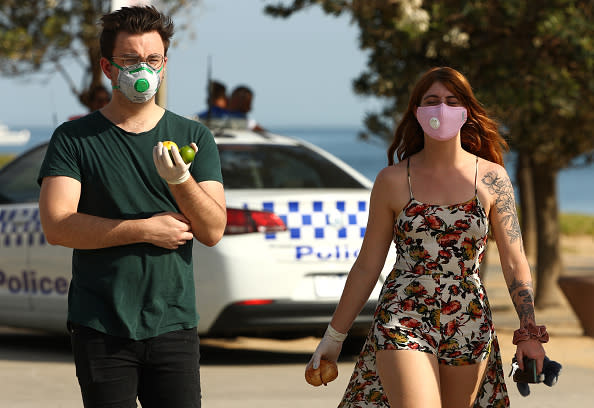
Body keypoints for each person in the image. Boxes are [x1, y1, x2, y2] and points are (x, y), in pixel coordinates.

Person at [306, 67, 547, 407]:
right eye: (431, 101)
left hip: (469, 317)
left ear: (466, 112)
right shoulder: (391, 180)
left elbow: (514, 260)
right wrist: (333, 337)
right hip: (403, 314)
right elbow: (367, 266)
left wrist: (529, 332)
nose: (441, 110)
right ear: (417, 113)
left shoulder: (493, 179)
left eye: (451, 101)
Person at [37, 5, 226, 408]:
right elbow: (57, 225)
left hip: (173, 323)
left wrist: (180, 180)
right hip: (100, 324)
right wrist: (144, 229)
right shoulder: (74, 139)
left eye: (153, 60)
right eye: (131, 60)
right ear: (108, 68)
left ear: (164, 65)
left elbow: (212, 230)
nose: (144, 70)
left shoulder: (194, 135)